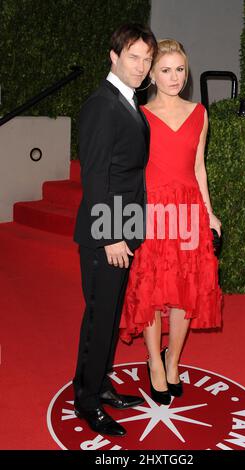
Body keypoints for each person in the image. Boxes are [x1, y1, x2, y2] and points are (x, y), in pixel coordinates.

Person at [120, 39, 223, 405]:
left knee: (185, 291)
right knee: (151, 289)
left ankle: (173, 359)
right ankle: (153, 361)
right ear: (151, 74)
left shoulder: (199, 113)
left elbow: (198, 167)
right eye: (165, 70)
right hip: (154, 211)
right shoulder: (139, 115)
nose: (174, 76)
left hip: (189, 210)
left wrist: (208, 212)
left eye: (180, 69)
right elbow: (130, 171)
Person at [72, 23, 157, 436]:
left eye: (146, 59)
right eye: (133, 57)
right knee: (99, 315)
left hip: (124, 227)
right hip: (105, 234)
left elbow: (130, 172)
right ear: (114, 56)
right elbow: (95, 178)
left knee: (109, 314)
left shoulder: (127, 102)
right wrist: (111, 236)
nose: (141, 67)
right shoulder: (101, 105)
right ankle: (86, 401)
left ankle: (100, 385)